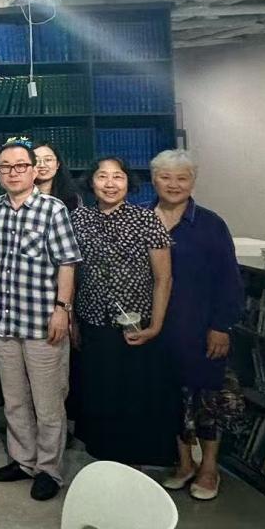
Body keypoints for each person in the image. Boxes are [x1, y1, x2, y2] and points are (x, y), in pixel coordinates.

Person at [0, 140, 81, 501]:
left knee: (48, 401)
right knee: (14, 399)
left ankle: (48, 469)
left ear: (33, 169)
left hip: (43, 321)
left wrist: (62, 309)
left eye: (20, 166)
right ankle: (23, 460)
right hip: (5, 320)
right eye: (5, 167)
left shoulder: (53, 209)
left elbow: (67, 263)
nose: (13, 173)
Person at [150, 149, 245, 502]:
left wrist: (221, 325)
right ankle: (184, 463)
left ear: (193, 181)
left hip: (201, 327)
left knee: (207, 398)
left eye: (182, 178)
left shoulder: (210, 224)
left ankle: (209, 468)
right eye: (166, 177)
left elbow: (229, 280)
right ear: (154, 180)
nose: (174, 184)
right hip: (158, 328)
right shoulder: (142, 218)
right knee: (170, 396)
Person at [70, 156, 176, 468]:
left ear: (128, 182)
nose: (110, 184)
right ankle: (103, 457)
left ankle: (133, 462)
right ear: (91, 182)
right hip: (93, 321)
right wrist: (72, 319)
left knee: (134, 391)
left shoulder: (146, 219)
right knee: (99, 390)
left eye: (117, 177)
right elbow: (71, 272)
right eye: (102, 177)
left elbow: (164, 278)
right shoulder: (79, 219)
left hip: (136, 324)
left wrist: (156, 325)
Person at [32, 141, 81, 212]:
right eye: (36, 160)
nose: (42, 165)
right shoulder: (21, 196)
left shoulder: (73, 198)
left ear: (58, 164)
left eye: (48, 160)